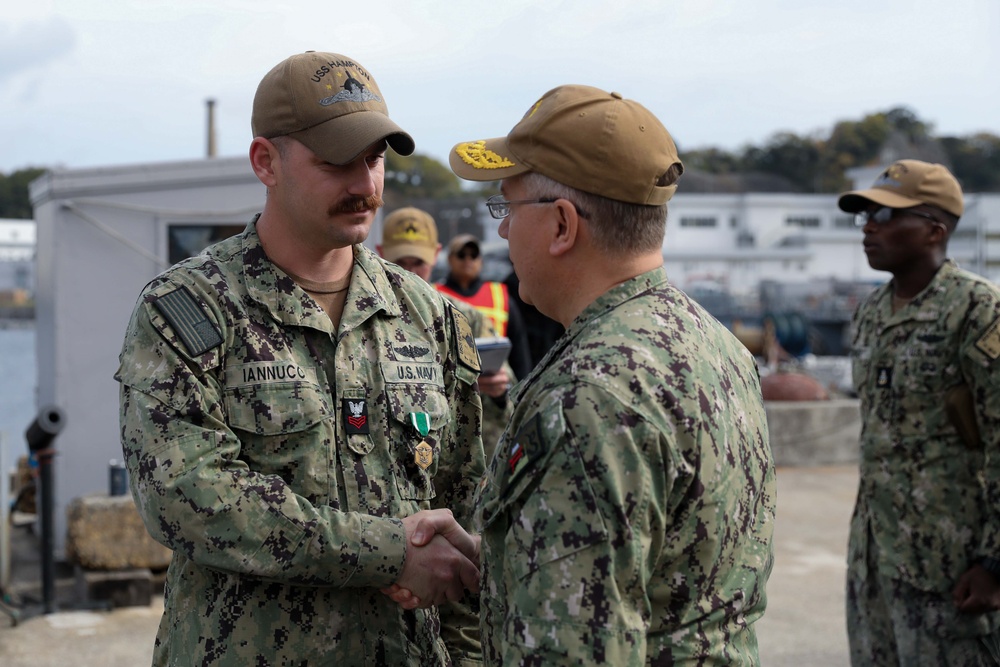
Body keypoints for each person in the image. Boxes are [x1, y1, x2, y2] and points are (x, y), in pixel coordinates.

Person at [115, 51, 484, 666]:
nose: (365, 185)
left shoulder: (432, 317)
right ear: (266, 161)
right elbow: (185, 495)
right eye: (337, 162)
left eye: (375, 160)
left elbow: (465, 511)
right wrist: (387, 550)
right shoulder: (186, 310)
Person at [419, 84, 776, 663]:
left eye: (508, 209)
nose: (503, 232)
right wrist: (501, 553)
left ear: (562, 226)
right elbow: (661, 566)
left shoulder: (588, 395)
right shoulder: (716, 345)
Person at [839, 159, 1000, 665]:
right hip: (876, 556)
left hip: (951, 564)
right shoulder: (869, 312)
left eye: (886, 216)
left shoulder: (976, 309)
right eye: (865, 215)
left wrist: (996, 563)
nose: (869, 226)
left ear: (934, 230)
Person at [378, 206, 513, 457]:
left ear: (436, 254)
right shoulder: (363, 318)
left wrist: (496, 391)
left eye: (417, 262)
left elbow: (508, 399)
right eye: (399, 262)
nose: (408, 272)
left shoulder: (464, 318)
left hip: (454, 463)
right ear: (380, 253)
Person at [436, 235, 532, 380]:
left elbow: (519, 348)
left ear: (480, 260)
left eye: (473, 255)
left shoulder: (499, 294)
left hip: (494, 386)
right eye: (461, 255)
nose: (468, 260)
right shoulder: (435, 294)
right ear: (450, 259)